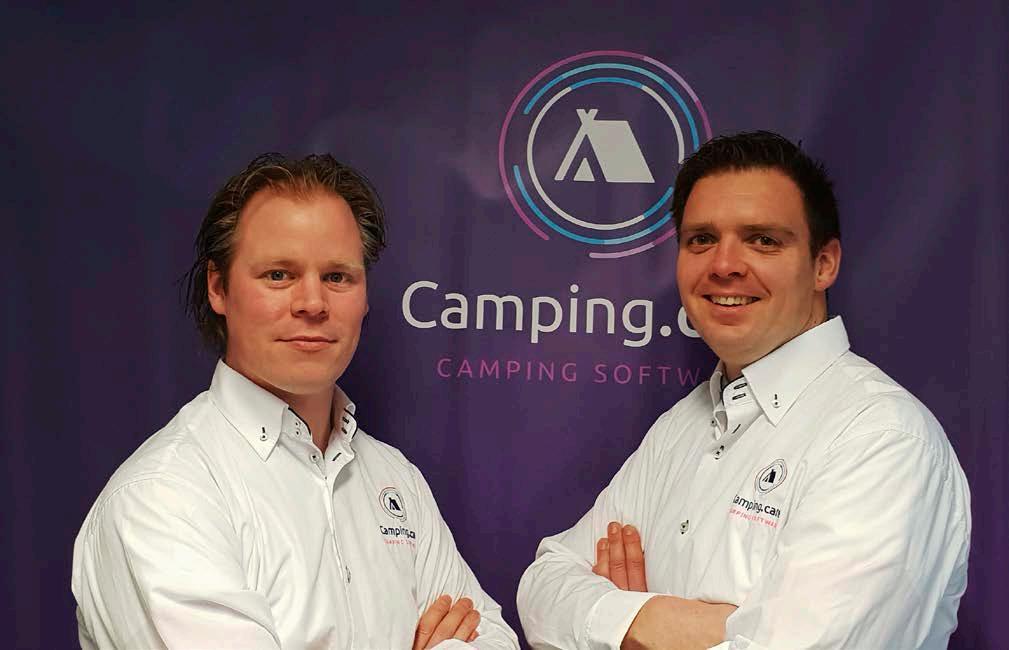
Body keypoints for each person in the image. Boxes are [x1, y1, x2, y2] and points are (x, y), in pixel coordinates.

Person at [517, 131, 970, 649]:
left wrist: (610, 625)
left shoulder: (882, 440)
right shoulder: (682, 426)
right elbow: (542, 588)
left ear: (823, 264)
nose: (724, 265)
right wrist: (658, 621)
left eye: (763, 240)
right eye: (701, 240)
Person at [71, 153, 519, 649]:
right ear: (218, 288)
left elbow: (495, 639)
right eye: (279, 275)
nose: (312, 303)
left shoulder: (396, 479)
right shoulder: (164, 495)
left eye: (337, 277)